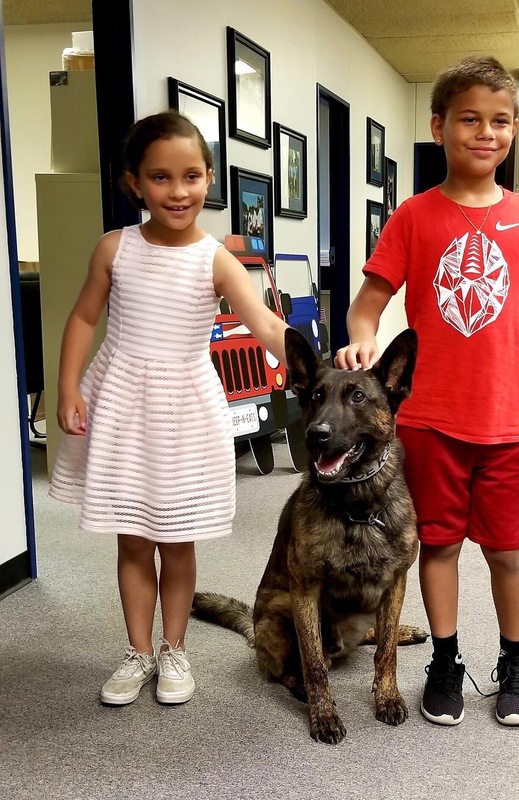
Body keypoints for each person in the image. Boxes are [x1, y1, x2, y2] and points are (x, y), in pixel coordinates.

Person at [335, 56, 519, 727]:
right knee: (436, 545)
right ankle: (444, 659)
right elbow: (368, 303)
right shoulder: (413, 216)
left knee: (506, 549)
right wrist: (361, 338)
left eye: (499, 121)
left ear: (513, 131)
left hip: (505, 421)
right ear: (438, 126)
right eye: (469, 119)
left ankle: (514, 658)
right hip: (428, 421)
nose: (484, 132)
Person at [50, 111, 289, 707]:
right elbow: (83, 317)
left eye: (190, 176)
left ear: (209, 179)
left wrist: (316, 357)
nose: (177, 191)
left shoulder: (217, 258)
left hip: (185, 408)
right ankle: (138, 650)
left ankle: (174, 648)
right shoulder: (115, 248)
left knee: (177, 538)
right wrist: (68, 387)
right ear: (135, 182)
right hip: (125, 403)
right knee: (133, 539)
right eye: (160, 178)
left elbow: (262, 323)